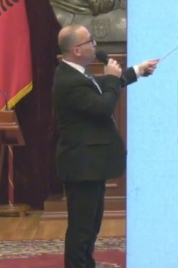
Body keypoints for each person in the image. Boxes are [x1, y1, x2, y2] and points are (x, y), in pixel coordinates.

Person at [53, 24, 157, 268]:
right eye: (90, 41)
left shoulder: (77, 73)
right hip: (81, 165)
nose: (95, 45)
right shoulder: (69, 80)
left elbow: (102, 87)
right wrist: (111, 77)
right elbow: (103, 106)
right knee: (81, 227)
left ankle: (86, 263)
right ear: (77, 50)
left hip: (91, 165)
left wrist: (138, 70)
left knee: (91, 224)